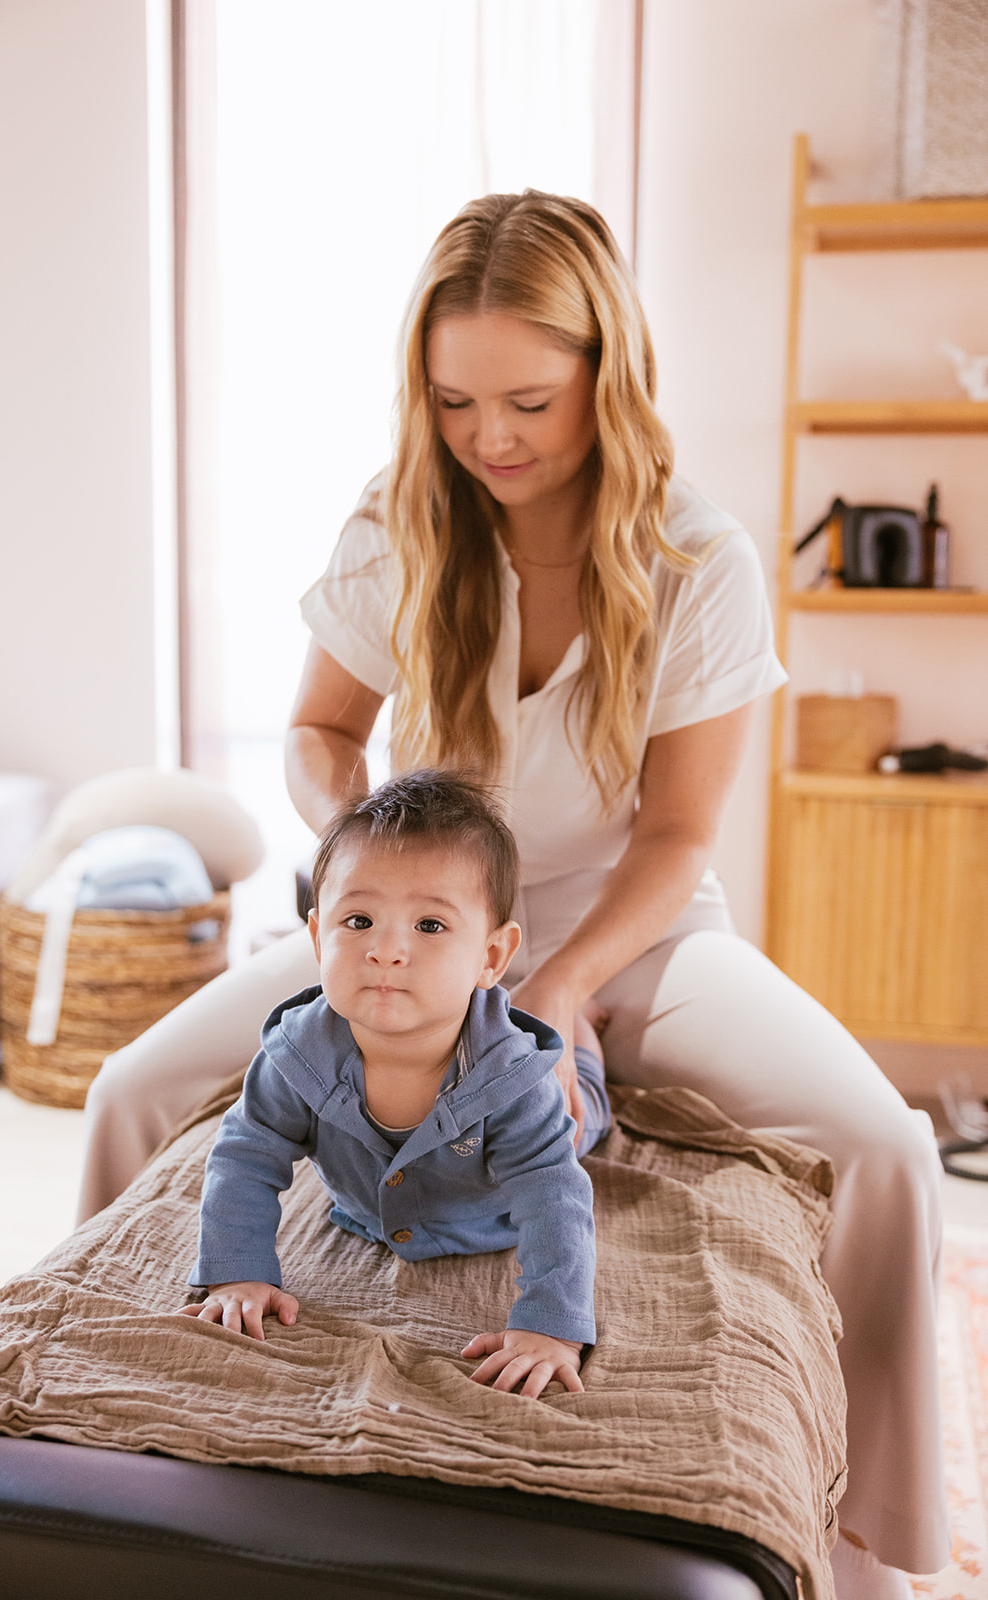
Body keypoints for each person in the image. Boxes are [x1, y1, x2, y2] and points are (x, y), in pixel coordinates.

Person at [79, 190, 946, 1598]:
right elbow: (316, 732)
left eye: (529, 400)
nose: (491, 437)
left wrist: (549, 987)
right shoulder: (400, 518)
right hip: (426, 922)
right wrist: (365, 865)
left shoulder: (697, 559)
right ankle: (101, 1465)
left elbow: (674, 833)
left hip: (633, 923)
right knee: (131, 1084)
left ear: (608, 368)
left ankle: (873, 1540)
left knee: (884, 1147)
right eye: (453, 401)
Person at [177, 770, 609, 1398]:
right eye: (358, 920)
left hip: (493, 1212)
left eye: (429, 926)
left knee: (583, 1110)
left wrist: (551, 1326)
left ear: (491, 957)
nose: (386, 951)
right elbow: (245, 1155)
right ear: (317, 933)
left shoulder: (513, 1080)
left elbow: (554, 1197)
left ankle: (585, 1033)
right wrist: (237, 1271)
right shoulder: (298, 1052)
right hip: (365, 1213)